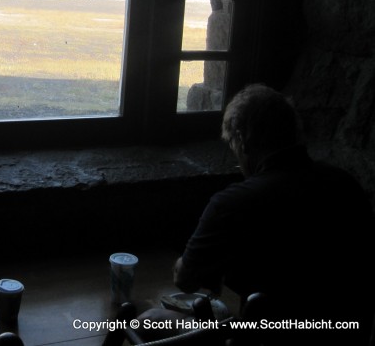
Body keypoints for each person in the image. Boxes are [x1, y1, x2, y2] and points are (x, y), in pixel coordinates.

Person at [138, 84, 375, 345]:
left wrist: (189, 260)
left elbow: (185, 280)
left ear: (241, 139)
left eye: (232, 144)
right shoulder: (346, 185)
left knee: (148, 320)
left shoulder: (234, 202)